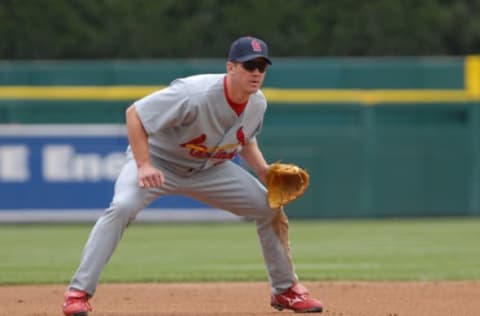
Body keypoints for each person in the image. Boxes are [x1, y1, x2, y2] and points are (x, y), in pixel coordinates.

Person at [62, 36, 323, 315]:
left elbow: (244, 139)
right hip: (160, 162)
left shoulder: (257, 103)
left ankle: (285, 290)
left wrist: (262, 170)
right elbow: (134, 114)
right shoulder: (193, 93)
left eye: (262, 66)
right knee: (123, 206)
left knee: (269, 206)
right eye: (249, 65)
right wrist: (144, 165)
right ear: (231, 67)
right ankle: (78, 292)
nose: (256, 72)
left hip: (211, 170)